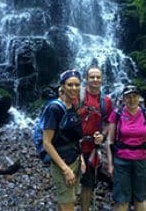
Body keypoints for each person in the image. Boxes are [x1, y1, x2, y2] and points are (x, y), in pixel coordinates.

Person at [107, 85, 146, 211]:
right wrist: (110, 164)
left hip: (141, 160)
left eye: (134, 96)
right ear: (123, 99)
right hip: (121, 160)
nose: (132, 100)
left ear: (139, 98)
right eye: (128, 97)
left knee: (140, 198)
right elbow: (109, 141)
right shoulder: (116, 114)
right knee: (122, 199)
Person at [43, 69, 85, 211]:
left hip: (74, 159)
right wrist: (65, 169)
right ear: (63, 86)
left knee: (66, 202)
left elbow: (74, 138)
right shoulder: (54, 108)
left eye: (77, 85)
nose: (74, 88)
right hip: (63, 164)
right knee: (68, 204)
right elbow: (47, 143)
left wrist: (81, 158)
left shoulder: (72, 105)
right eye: (70, 85)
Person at [79, 66, 113, 211]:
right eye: (92, 77)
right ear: (86, 79)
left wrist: (103, 135)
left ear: (102, 79)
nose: (95, 80)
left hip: (92, 148)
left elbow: (109, 122)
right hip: (74, 146)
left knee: (88, 184)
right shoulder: (78, 96)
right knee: (67, 182)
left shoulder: (106, 101)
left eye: (98, 77)